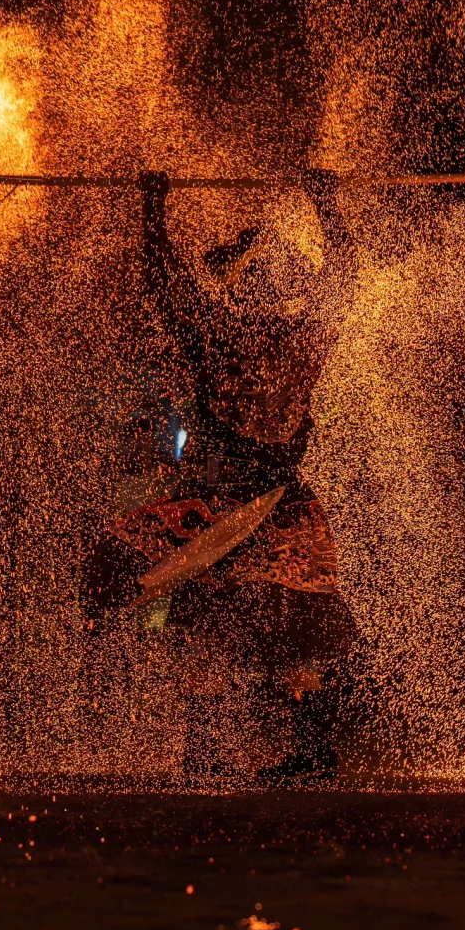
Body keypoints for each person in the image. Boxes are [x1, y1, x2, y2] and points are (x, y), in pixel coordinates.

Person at [79, 168, 357, 781]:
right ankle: (215, 747)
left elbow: (166, 282)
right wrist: (326, 205)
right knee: (224, 616)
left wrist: (153, 212)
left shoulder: (240, 336)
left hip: (266, 506)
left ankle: (306, 751)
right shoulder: (262, 335)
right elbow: (344, 278)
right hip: (238, 507)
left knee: (288, 624)